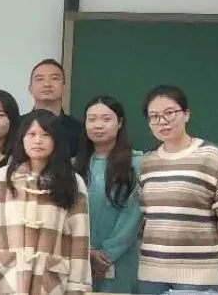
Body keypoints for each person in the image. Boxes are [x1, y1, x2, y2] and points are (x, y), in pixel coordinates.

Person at [136, 85, 218, 294]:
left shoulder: (210, 156)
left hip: (198, 273)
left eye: (169, 113)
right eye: (154, 116)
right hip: (151, 271)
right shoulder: (147, 162)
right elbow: (144, 215)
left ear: (186, 114)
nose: (162, 121)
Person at [0, 109, 92, 295]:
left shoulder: (72, 181)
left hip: (52, 282)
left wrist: (77, 285)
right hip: (8, 278)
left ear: (57, 140)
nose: (38, 140)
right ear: (22, 139)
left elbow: (80, 238)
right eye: (31, 134)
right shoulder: (3, 177)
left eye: (46, 135)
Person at [72, 96, 142, 294]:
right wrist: (87, 251)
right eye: (92, 119)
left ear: (119, 123)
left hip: (122, 259)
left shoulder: (138, 163)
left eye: (106, 119)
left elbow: (133, 215)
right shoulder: (72, 166)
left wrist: (107, 254)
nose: (98, 125)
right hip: (78, 257)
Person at [21, 59, 84, 157]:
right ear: (30, 88)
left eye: (54, 78)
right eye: (40, 79)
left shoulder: (79, 130)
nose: (47, 84)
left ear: (64, 87)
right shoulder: (16, 125)